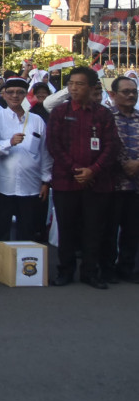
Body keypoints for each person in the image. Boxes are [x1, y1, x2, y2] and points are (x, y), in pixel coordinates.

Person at [46, 66, 120, 288]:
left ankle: (90, 272)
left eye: (79, 84)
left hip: (97, 183)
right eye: (71, 84)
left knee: (93, 229)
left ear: (91, 87)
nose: (74, 88)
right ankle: (65, 271)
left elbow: (111, 146)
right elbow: (54, 146)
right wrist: (76, 169)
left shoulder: (103, 114)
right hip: (66, 181)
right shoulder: (60, 112)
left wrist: (93, 170)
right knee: (67, 229)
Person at [0, 77, 52, 281]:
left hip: (30, 186)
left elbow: (45, 154)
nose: (15, 96)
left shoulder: (37, 121)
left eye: (20, 92)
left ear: (26, 95)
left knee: (27, 229)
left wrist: (45, 181)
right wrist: (9, 142)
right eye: (11, 92)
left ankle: (26, 269)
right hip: (3, 184)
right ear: (4, 95)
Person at [104, 75, 139, 283]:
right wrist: (124, 164)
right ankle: (107, 268)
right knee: (109, 229)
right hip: (112, 184)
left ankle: (127, 267)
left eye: (134, 92)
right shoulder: (106, 117)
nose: (131, 95)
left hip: (135, 185)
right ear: (113, 94)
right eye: (126, 91)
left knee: (132, 230)